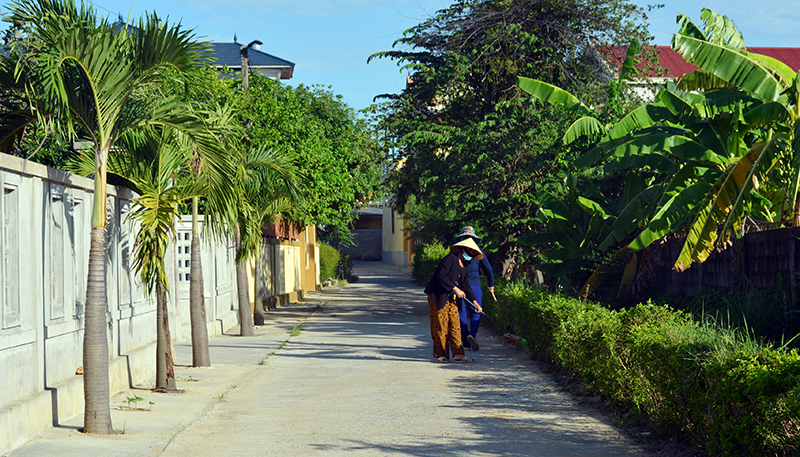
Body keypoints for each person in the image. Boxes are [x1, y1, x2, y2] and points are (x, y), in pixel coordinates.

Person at [423, 237, 484, 363]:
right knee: (441, 325)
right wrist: (455, 289)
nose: (471, 254)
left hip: (452, 299)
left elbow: (465, 285)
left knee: (455, 325)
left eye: (473, 253)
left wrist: (474, 302)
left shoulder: (465, 266)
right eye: (470, 251)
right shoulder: (450, 259)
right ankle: (441, 355)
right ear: (462, 249)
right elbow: (441, 276)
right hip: (438, 295)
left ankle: (459, 354)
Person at [454, 226, 494, 352]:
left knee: (462, 314)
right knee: (477, 311)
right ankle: (472, 334)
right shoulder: (478, 251)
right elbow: (488, 270)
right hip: (473, 285)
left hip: (460, 285)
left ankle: (466, 342)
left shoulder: (455, 251)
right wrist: (491, 285)